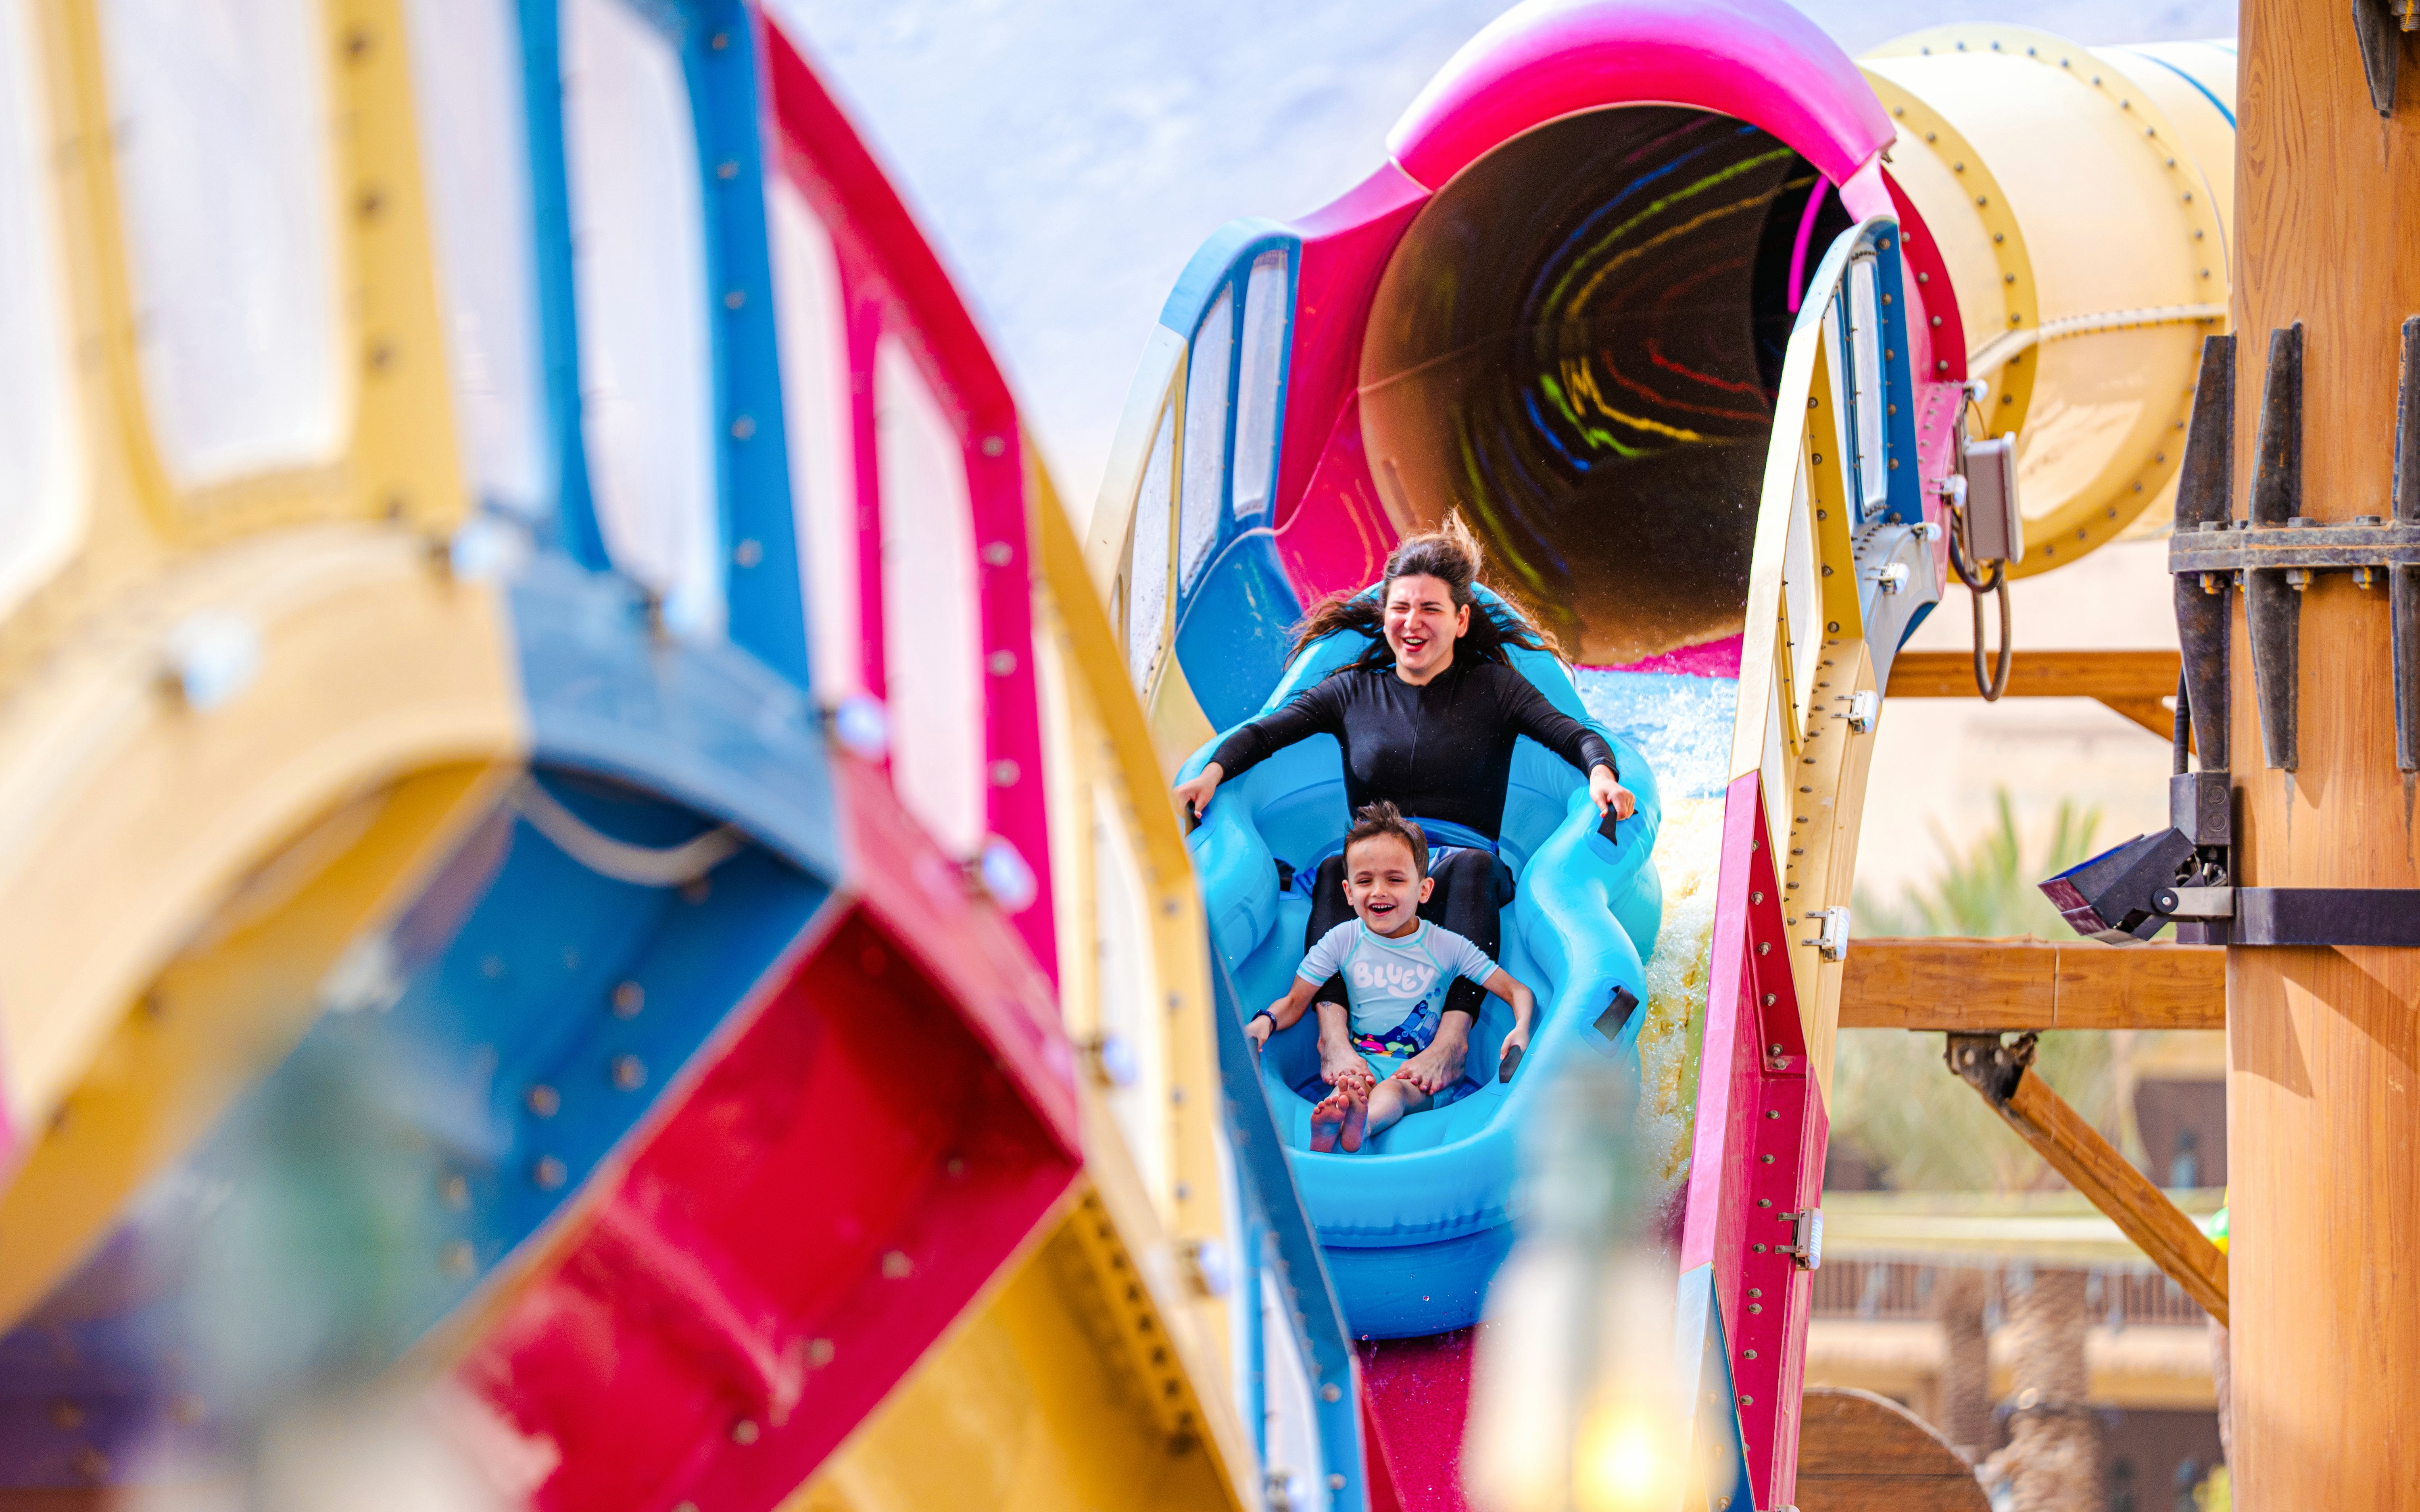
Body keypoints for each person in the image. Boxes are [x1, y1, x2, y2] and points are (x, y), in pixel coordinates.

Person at [1175, 514, 1631, 1094]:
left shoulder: (1494, 689)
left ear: (1462, 620)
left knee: (1473, 867)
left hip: (1462, 871)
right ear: (1385, 614)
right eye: (1401, 608)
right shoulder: (1350, 692)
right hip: (1380, 869)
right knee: (1341, 869)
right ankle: (1332, 1036)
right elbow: (1264, 733)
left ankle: (1452, 1040)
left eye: (1431, 610)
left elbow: (1573, 733)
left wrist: (1601, 776)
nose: (1412, 623)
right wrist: (1209, 775)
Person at [1246, 803, 1535, 1152]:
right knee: (1348, 1088)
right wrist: (1266, 1021)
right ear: (1349, 893)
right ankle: (1334, 1124)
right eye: (1365, 881)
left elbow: (1516, 990)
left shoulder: (1446, 946)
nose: (1379, 891)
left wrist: (1520, 1028)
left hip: (1417, 1073)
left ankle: (1360, 1126)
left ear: (1424, 890)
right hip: (1361, 1062)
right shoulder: (1342, 940)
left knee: (1393, 1093)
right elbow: (1295, 1001)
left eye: (1395, 880)